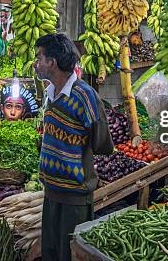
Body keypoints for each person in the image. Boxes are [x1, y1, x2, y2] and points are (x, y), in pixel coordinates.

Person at [34, 34, 113, 261]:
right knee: (51, 253)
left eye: (40, 57)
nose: (36, 63)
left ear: (53, 62)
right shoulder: (51, 94)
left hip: (75, 197)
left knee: (70, 255)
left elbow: (103, 143)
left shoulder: (85, 96)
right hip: (51, 192)